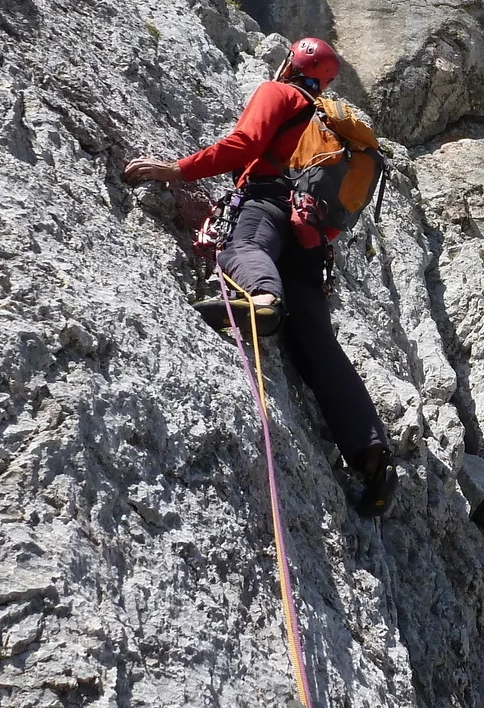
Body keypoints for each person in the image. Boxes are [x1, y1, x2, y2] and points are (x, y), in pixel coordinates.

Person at [124, 37, 397, 516]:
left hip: (267, 206)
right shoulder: (335, 128)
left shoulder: (281, 93)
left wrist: (177, 170)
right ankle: (373, 460)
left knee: (244, 248)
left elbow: (245, 144)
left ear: (292, 62)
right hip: (311, 241)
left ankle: (262, 300)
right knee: (318, 348)